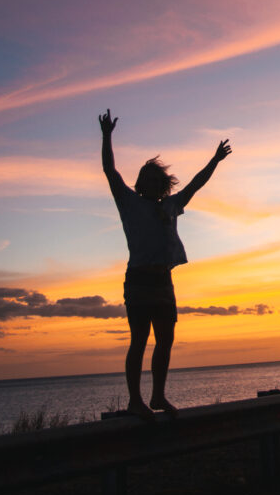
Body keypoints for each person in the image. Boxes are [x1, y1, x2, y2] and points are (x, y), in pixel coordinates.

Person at [99, 109, 231, 419]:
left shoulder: (171, 205)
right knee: (139, 341)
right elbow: (109, 169)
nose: (153, 182)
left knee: (165, 341)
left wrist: (215, 160)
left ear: (163, 186)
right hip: (139, 282)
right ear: (140, 184)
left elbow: (196, 184)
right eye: (147, 178)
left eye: (158, 179)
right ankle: (136, 401)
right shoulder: (129, 201)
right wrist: (107, 136)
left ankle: (158, 396)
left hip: (164, 283)